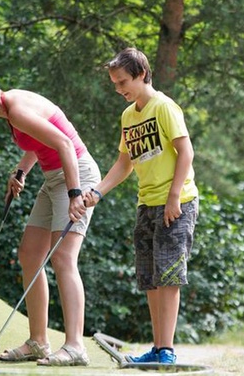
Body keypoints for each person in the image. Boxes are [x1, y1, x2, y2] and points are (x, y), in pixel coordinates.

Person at [0, 71, 100, 367]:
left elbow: (65, 144)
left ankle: (75, 347)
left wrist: (74, 193)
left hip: (75, 174)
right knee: (29, 254)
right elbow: (38, 142)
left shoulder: (16, 109)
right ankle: (38, 342)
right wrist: (21, 171)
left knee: (63, 258)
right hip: (53, 177)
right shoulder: (11, 109)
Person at [82, 48, 199, 365]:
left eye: (123, 82)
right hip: (146, 203)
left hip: (177, 202)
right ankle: (158, 348)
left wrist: (174, 196)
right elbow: (125, 163)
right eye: (115, 84)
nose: (119, 89)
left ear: (142, 74)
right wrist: (98, 191)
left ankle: (167, 351)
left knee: (169, 276)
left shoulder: (164, 107)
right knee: (150, 277)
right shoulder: (128, 116)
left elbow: (186, 153)